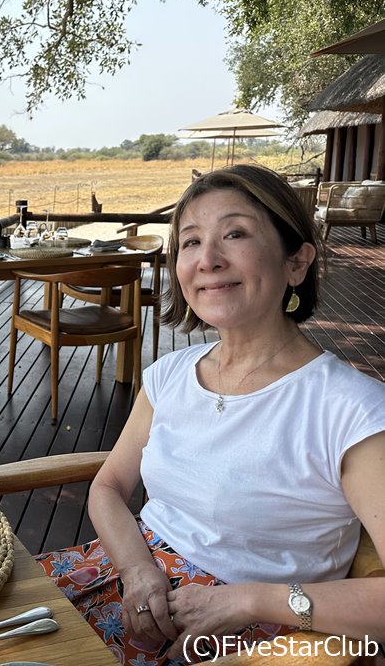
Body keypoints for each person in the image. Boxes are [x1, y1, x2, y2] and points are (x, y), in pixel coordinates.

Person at [36, 164, 385, 665]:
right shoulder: (171, 374)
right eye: (191, 242)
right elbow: (109, 487)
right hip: (126, 574)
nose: (208, 260)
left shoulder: (351, 410)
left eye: (235, 234)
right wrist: (136, 569)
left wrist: (247, 600)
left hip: (250, 631)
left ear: (297, 263)